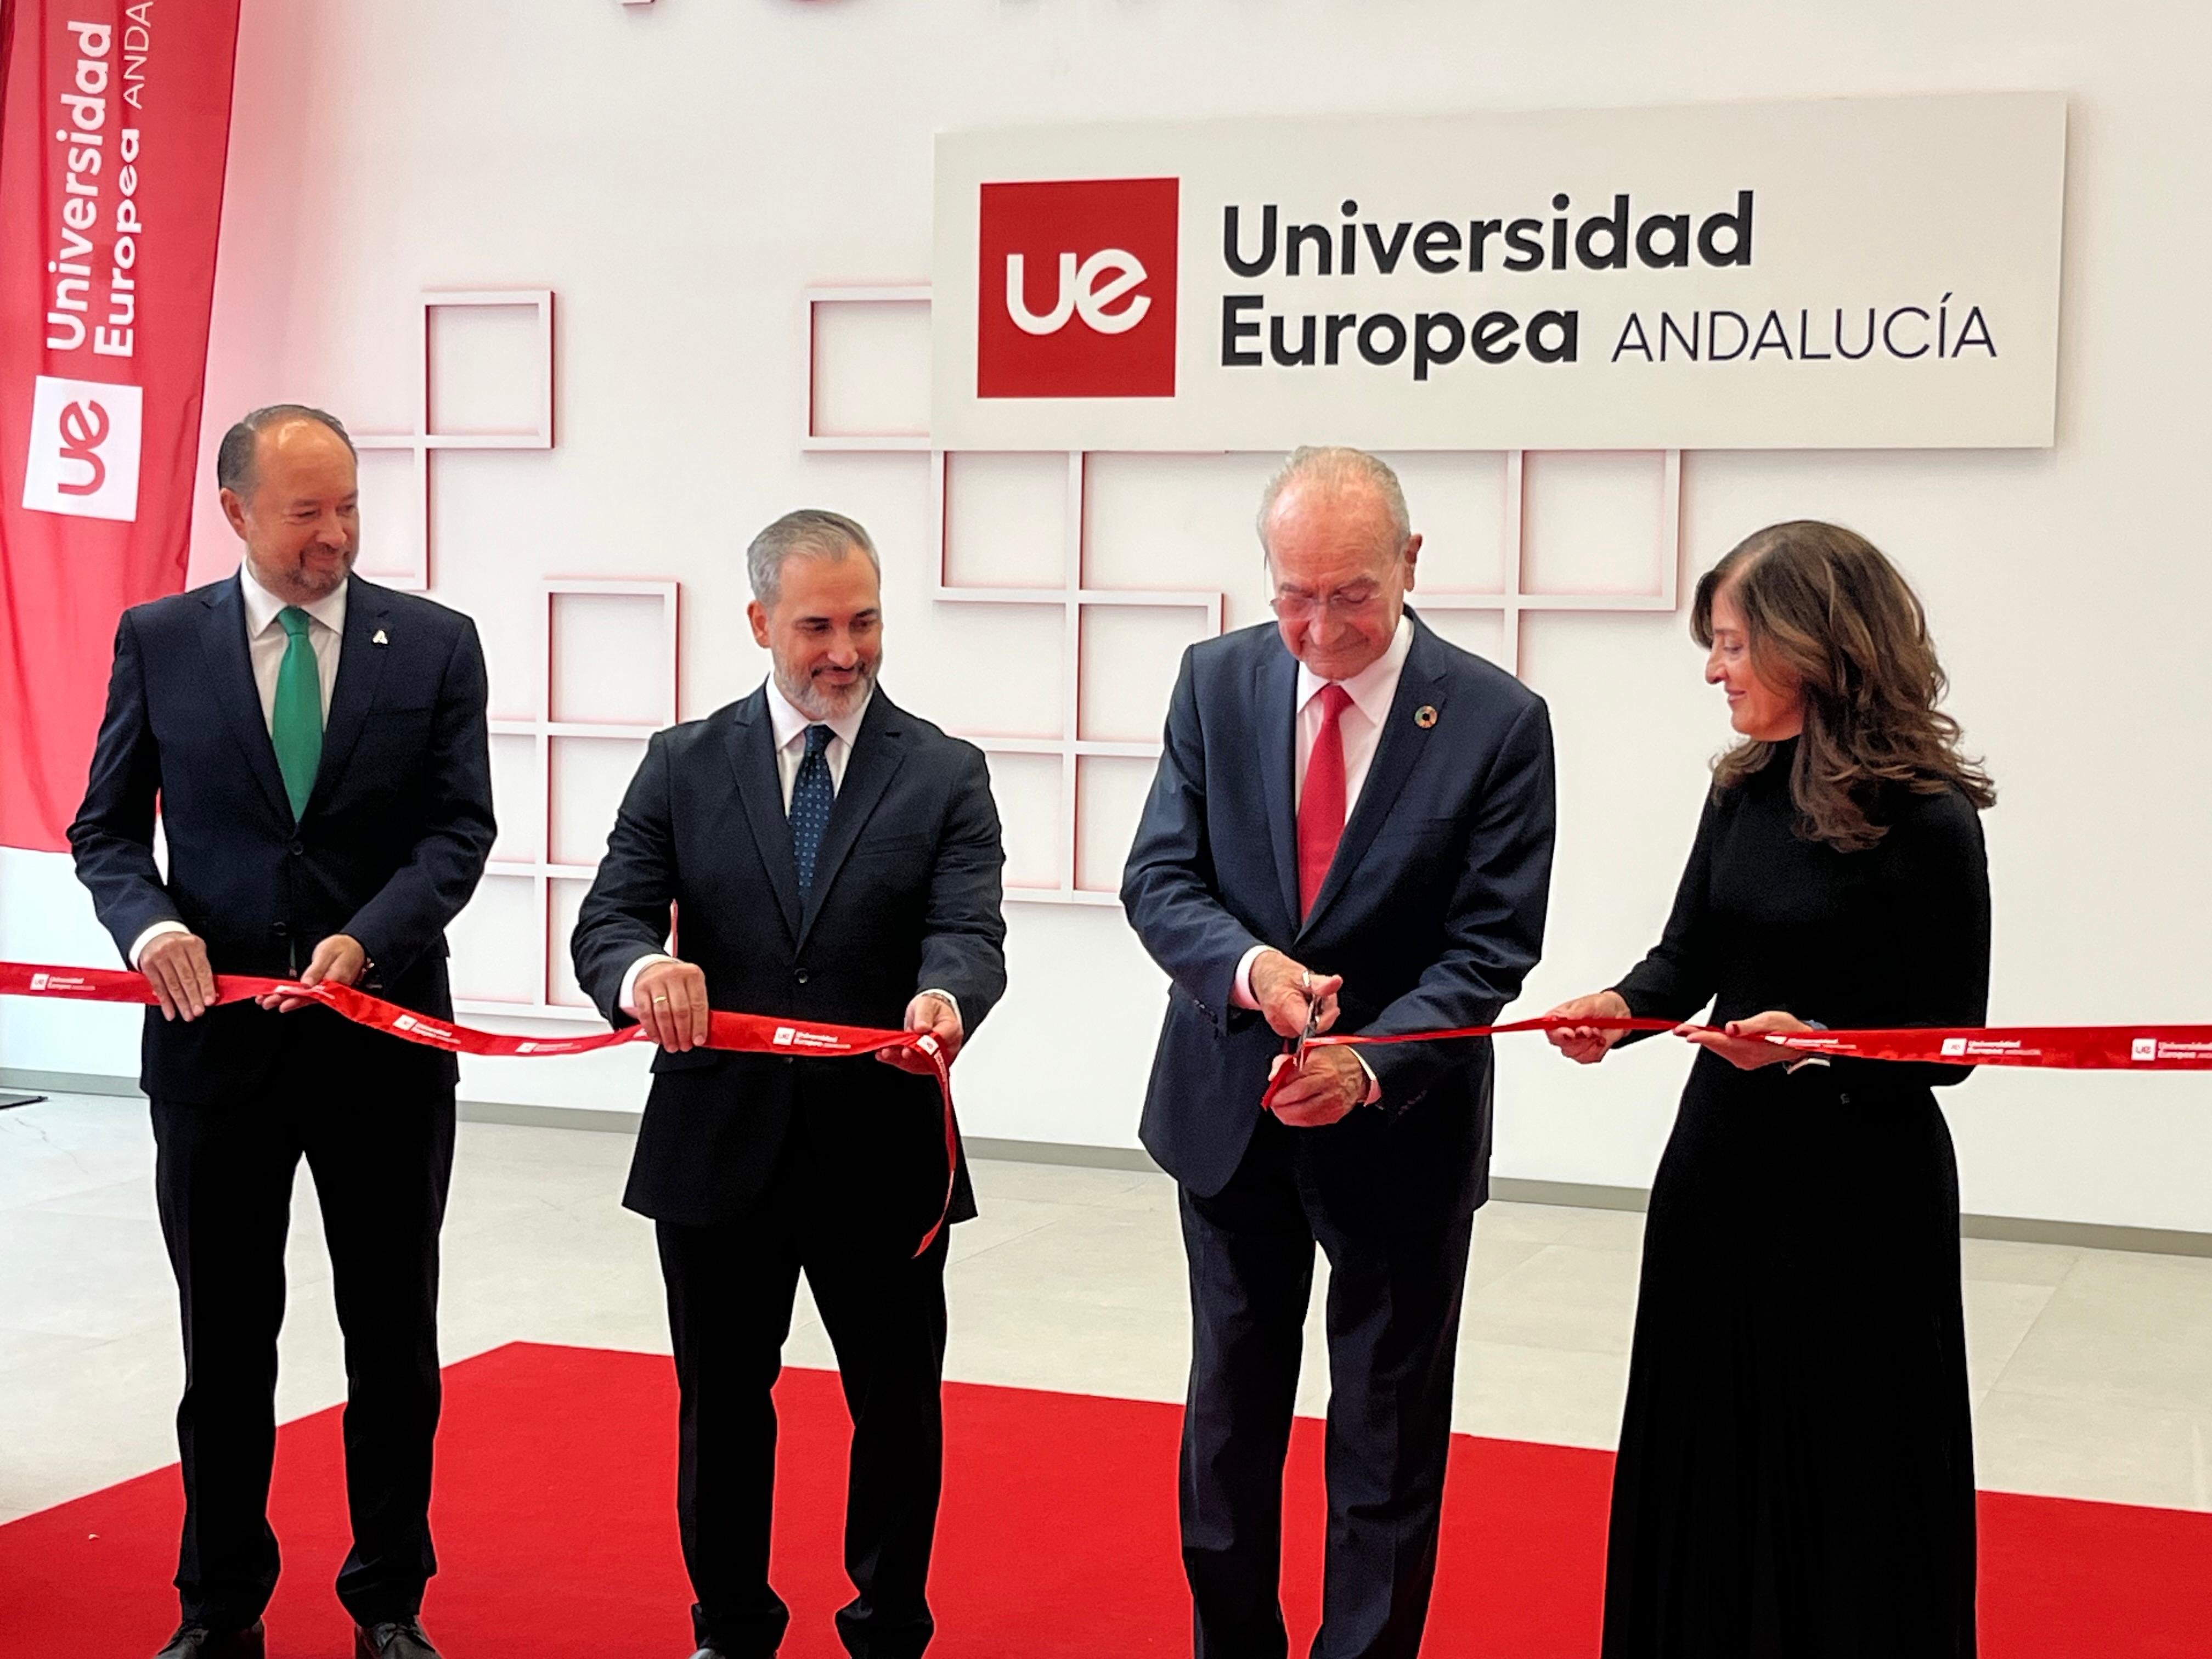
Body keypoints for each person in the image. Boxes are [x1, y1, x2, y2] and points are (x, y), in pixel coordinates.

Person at [68, 406, 497, 1659]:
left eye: (350, 505)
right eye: (307, 511)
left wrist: (369, 940)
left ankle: (388, 1605)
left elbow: (456, 834)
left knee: (393, 1339)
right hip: (216, 1055)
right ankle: (218, 1607)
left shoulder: (431, 644)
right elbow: (104, 829)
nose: (337, 534)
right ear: (237, 512)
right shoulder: (159, 642)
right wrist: (149, 931)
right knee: (225, 1342)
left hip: (384, 1040)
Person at [1122, 447, 1557, 1659]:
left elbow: (1490, 946)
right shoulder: (1214, 684)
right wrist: (1250, 970)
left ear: (1411, 565)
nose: (1321, 627)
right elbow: (1159, 876)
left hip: (1398, 1131)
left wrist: (1367, 1063)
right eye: (1294, 594)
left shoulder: (1496, 722)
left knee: (1385, 1435)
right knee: (1228, 1422)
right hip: (1229, 1108)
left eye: (1352, 594)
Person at [1543, 521, 1994, 1657]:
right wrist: (1621, 1010)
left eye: (1733, 642)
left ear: (1816, 642)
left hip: (1858, 1201)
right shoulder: (1740, 791)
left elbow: (1950, 1045)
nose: (1713, 669)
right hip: (1722, 1173)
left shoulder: (1928, 818)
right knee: (1708, 1443)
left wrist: (1817, 1044)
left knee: (1843, 1460)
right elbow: (1686, 958)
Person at [570, 509, 1006, 1659]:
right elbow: (607, 920)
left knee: (899, 1410)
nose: (845, 652)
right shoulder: (682, 763)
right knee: (722, 1409)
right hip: (718, 1143)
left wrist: (946, 999)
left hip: (886, 1143)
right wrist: (643, 969)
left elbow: (970, 932)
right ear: (760, 620)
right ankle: (730, 1627)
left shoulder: (946, 773)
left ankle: (888, 1626)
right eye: (817, 625)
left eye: (864, 622)